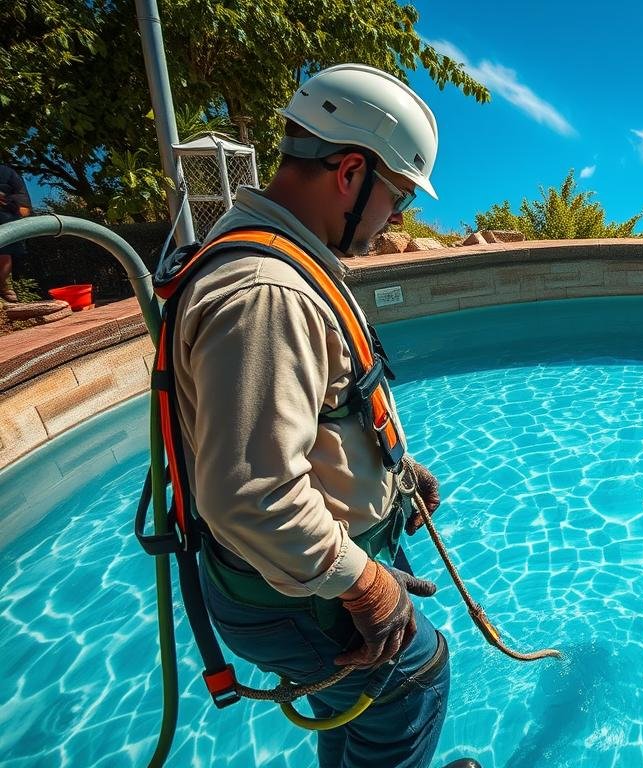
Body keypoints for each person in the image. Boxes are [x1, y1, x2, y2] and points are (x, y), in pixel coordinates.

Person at [165, 64, 476, 768]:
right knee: (411, 685)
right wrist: (365, 584)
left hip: (287, 580)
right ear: (350, 173)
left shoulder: (274, 260)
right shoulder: (268, 294)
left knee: (352, 706)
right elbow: (252, 493)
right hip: (293, 595)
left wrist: (395, 476)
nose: (395, 217)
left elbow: (307, 427)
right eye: (394, 197)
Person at [0, 163, 33, 303]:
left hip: (5, 224)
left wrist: (6, 201)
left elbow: (24, 210)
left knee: (4, 252)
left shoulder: (7, 174)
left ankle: (4, 289)